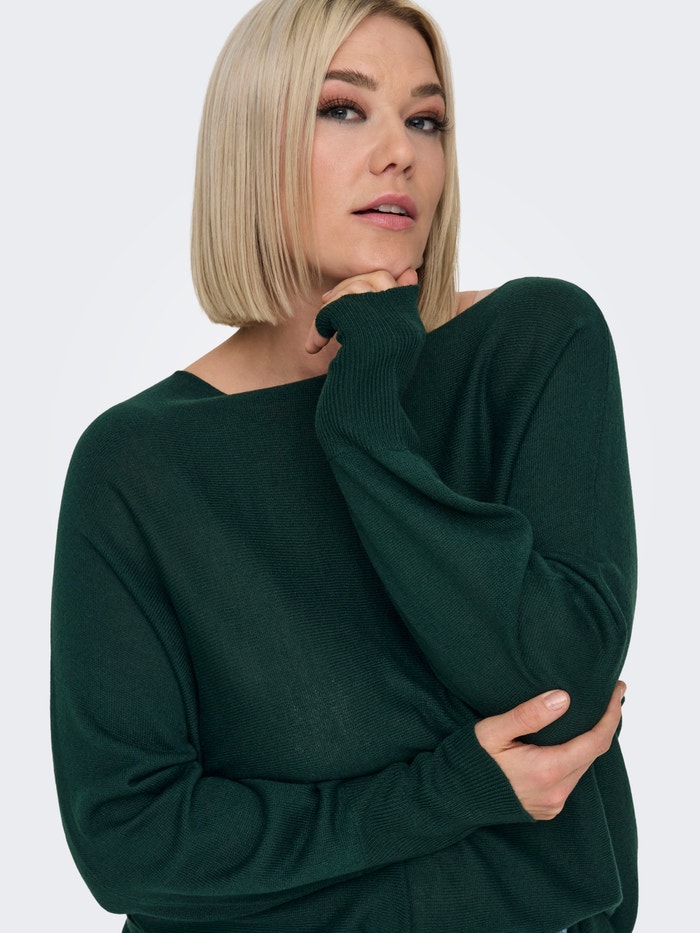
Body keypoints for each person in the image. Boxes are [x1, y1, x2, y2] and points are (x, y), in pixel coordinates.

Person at [50, 1, 637, 931]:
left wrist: (366, 419)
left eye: (426, 120)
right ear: (254, 145)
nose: (400, 152)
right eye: (343, 109)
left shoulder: (534, 343)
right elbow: (134, 843)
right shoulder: (139, 464)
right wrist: (448, 791)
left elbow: (556, 692)